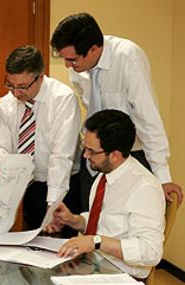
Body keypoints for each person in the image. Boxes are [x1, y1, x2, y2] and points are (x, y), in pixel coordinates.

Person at [50, 12, 183, 211]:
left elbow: (147, 117)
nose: (68, 65)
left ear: (93, 49)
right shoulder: (78, 69)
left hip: (129, 156)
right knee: (91, 220)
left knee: (125, 224)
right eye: (64, 59)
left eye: (72, 59)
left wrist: (163, 176)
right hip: (93, 158)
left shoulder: (128, 57)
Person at [46, 109, 165, 279]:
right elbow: (105, 223)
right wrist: (74, 220)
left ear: (115, 155)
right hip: (93, 265)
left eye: (92, 151)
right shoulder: (105, 174)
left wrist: (96, 241)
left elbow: (151, 252)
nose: (86, 155)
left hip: (121, 275)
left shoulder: (144, 188)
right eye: (84, 148)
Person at [0, 45, 81, 229]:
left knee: (59, 248)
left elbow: (61, 157)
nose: (16, 93)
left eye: (22, 87)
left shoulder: (63, 99)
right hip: (29, 184)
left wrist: (53, 206)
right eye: (10, 85)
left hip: (63, 186)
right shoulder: (7, 104)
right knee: (30, 243)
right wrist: (16, 164)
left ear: (40, 76)